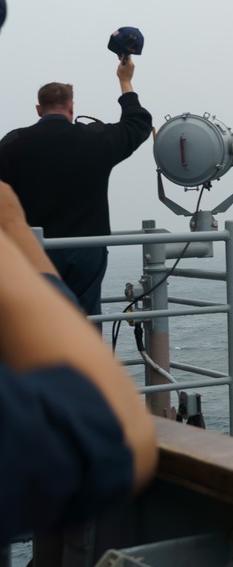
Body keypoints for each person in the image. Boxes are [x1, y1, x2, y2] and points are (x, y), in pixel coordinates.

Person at [0, 181, 157, 543]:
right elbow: (119, 430)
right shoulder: (99, 142)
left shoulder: (14, 146)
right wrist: (10, 228)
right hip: (77, 264)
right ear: (72, 116)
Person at [0, 56, 153, 317]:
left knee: (35, 318)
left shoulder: (13, 143)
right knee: (85, 320)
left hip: (34, 249)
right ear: (72, 107)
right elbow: (138, 123)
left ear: (39, 109)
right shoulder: (96, 139)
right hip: (87, 250)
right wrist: (125, 81)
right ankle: (84, 357)